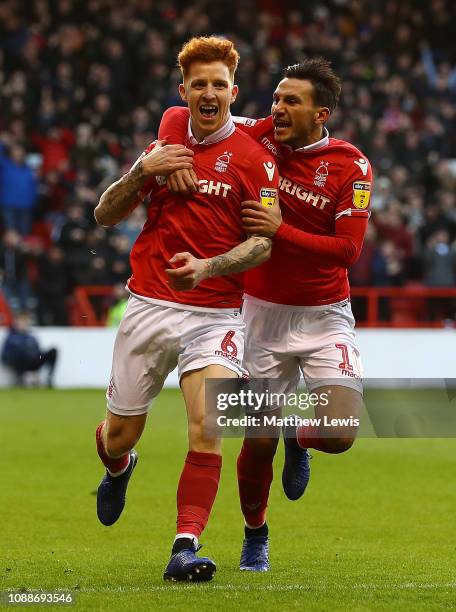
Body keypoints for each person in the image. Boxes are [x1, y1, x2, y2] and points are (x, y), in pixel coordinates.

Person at [158, 57, 373, 572]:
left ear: (320, 113)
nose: (276, 108)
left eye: (290, 101)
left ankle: (300, 438)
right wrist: (177, 153)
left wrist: (280, 231)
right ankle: (256, 533)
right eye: (276, 98)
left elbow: (348, 251)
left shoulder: (352, 166)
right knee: (255, 442)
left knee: (340, 431)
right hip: (256, 315)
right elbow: (174, 116)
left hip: (324, 316)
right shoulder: (262, 138)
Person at [93, 36, 279, 583]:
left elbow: (264, 243)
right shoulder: (166, 136)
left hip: (216, 312)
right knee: (119, 437)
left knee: (208, 423)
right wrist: (144, 172)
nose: (208, 92)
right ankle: (120, 466)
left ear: (233, 92)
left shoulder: (253, 160)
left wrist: (210, 266)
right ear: (184, 91)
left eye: (219, 84)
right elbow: (104, 213)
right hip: (149, 305)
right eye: (199, 83)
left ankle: (185, 544)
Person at [1, 312, 58, 387]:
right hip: (19, 362)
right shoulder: (11, 337)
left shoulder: (31, 337)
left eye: (25, 322)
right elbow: (5, 355)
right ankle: (19, 379)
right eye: (21, 321)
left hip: (33, 360)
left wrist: (38, 357)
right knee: (20, 352)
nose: (23, 324)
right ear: (17, 323)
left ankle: (49, 378)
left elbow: (38, 351)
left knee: (53, 351)